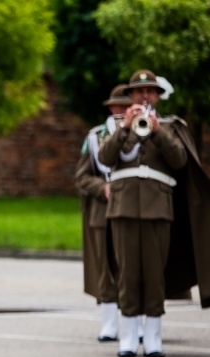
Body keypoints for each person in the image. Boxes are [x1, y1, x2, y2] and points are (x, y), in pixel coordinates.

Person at [98, 69, 210, 357]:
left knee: (154, 275)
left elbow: (179, 160)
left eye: (150, 91)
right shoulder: (115, 126)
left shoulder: (170, 126)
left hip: (158, 209)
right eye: (139, 92)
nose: (145, 96)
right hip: (124, 208)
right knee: (128, 274)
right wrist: (126, 128)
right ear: (130, 97)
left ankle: (153, 339)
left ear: (158, 96)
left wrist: (157, 132)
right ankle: (127, 338)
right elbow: (104, 158)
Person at [74, 84, 130, 342]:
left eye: (128, 105)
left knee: (131, 265)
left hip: (132, 209)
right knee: (106, 267)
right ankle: (109, 322)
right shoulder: (95, 136)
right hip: (103, 211)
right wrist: (102, 187)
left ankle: (136, 322)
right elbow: (82, 176)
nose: (124, 109)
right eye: (120, 105)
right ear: (111, 107)